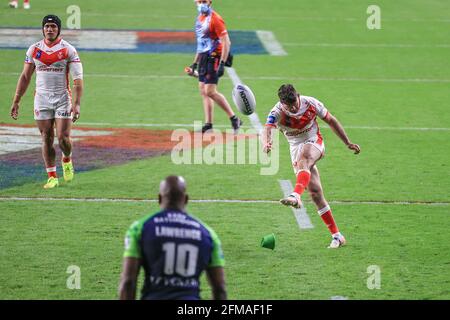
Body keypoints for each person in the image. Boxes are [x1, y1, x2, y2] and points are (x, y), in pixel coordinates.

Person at [263, 84, 361, 249]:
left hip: (314, 141)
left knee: (305, 158)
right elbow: (268, 127)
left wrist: (347, 142)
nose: (293, 107)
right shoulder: (276, 112)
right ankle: (337, 236)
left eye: (294, 102)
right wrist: (267, 142)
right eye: (289, 105)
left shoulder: (311, 103)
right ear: (281, 103)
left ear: (298, 95)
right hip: (295, 148)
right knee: (316, 194)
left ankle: (295, 195)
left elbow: (331, 120)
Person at [119, 175, 227, 300]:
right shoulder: (207, 234)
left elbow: (128, 282)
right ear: (186, 199)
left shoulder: (140, 229)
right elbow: (220, 288)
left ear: (159, 198)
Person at [10, 15, 83, 189]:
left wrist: (77, 103)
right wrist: (16, 100)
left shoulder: (68, 50)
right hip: (41, 99)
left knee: (63, 138)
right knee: (46, 137)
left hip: (62, 99)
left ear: (58, 29)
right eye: (47, 26)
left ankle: (67, 158)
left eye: (53, 26)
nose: (50, 29)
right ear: (43, 28)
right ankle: (52, 176)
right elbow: (26, 76)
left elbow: (78, 79)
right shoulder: (34, 50)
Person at [188, 0, 242, 134]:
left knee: (210, 91)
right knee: (203, 89)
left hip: (215, 56)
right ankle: (209, 124)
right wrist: (195, 62)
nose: (201, 3)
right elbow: (201, 43)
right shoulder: (199, 19)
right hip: (204, 57)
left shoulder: (216, 19)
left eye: (204, 1)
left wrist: (222, 63)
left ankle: (234, 118)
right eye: (199, 1)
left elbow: (226, 42)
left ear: (210, 2)